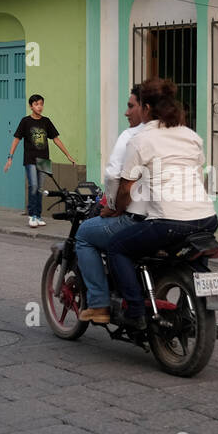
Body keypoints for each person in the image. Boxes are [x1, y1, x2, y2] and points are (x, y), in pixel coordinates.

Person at [105, 79, 217, 330]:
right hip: (207, 218)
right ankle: (190, 308)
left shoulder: (141, 139)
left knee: (117, 247)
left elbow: (125, 187)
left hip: (168, 222)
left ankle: (135, 311)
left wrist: (118, 209)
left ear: (145, 108)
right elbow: (201, 176)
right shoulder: (191, 136)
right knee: (194, 258)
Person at [76, 87, 147, 324]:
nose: (126, 113)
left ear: (145, 108)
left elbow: (113, 177)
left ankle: (99, 304)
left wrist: (112, 205)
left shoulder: (132, 136)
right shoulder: (183, 135)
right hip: (176, 217)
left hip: (137, 216)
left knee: (84, 234)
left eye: (130, 106)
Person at [5, 93, 75, 228]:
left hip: (44, 160)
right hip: (30, 159)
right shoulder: (25, 121)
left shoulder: (46, 121)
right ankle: (31, 215)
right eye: (36, 104)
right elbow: (16, 139)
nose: (40, 107)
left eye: (41, 104)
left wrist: (68, 155)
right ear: (31, 106)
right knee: (34, 186)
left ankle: (38, 215)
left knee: (40, 188)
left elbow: (56, 139)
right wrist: (10, 157)